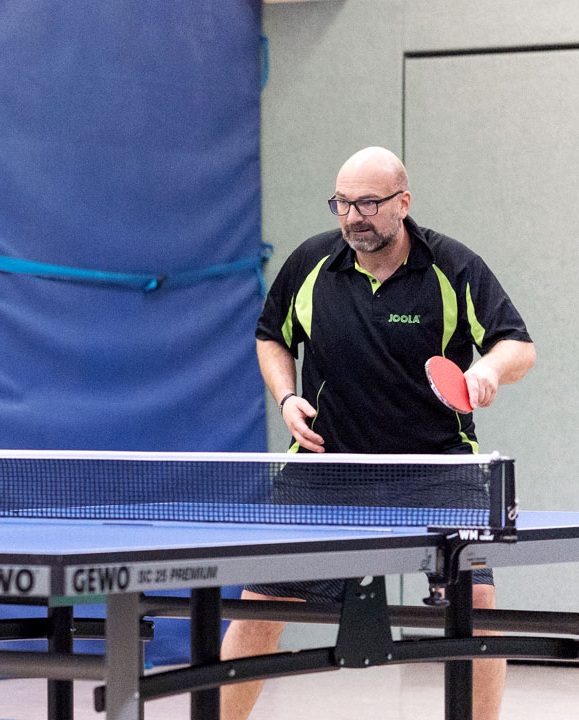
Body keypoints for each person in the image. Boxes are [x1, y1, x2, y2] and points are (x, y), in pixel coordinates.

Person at [222, 146, 535, 720]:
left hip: (438, 468)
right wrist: (287, 397)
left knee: (478, 606)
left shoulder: (452, 267)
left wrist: (489, 370)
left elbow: (517, 344)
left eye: (368, 203)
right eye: (342, 203)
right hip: (328, 467)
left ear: (403, 202)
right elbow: (272, 336)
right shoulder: (311, 263)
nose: (353, 217)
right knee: (260, 609)